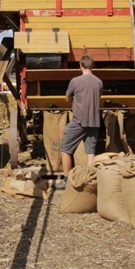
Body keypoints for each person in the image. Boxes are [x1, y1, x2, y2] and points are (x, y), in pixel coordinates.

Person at [57, 55, 102, 188]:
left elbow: (67, 98)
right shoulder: (99, 82)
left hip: (78, 121)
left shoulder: (75, 81)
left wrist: (73, 99)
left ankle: (66, 181)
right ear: (92, 66)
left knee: (65, 149)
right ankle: (89, 180)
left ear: (81, 66)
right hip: (94, 121)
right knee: (90, 151)